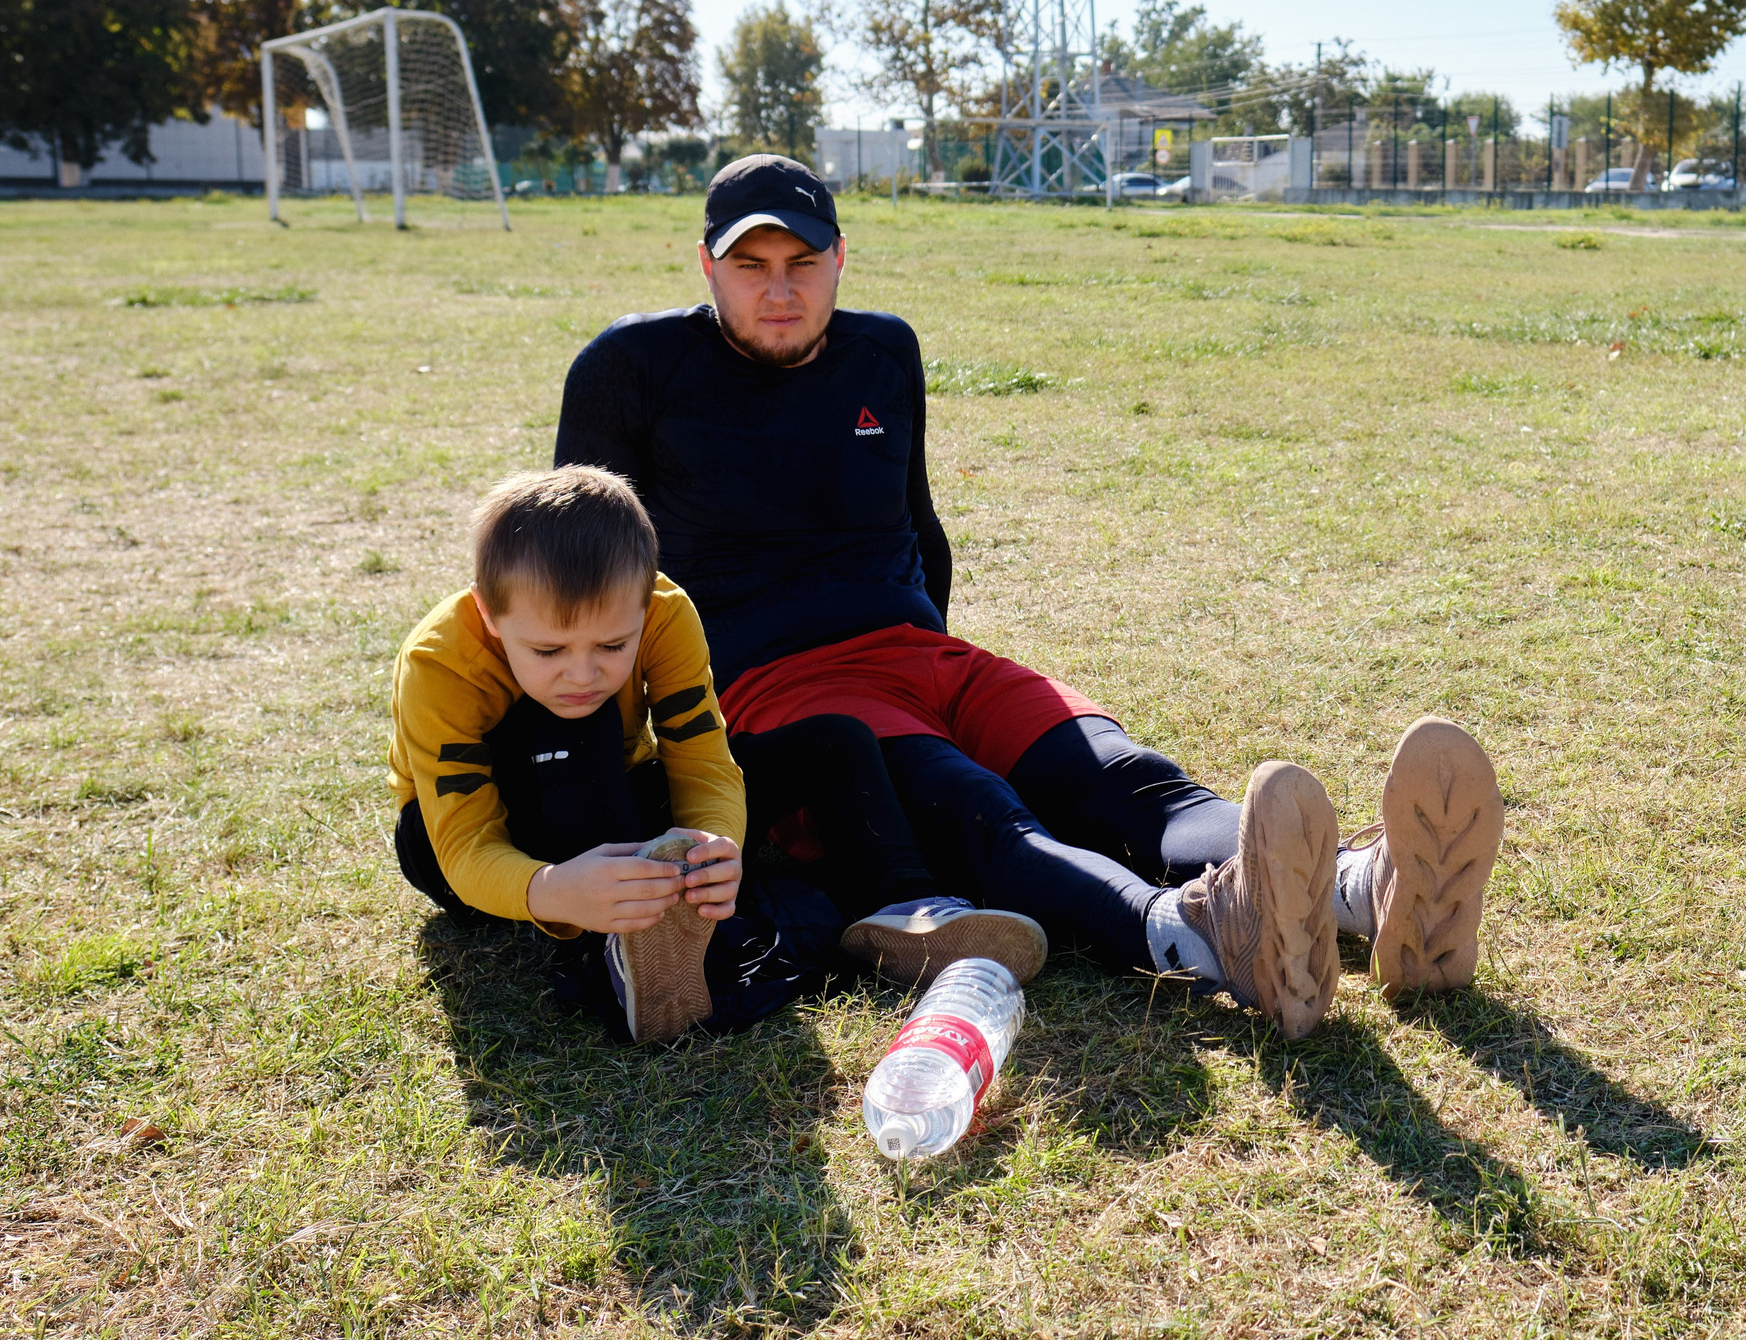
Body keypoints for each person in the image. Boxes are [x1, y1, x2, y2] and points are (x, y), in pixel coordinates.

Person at [554, 155, 1503, 1040]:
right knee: (986, 812)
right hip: (781, 692)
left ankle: (1363, 887)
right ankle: (1204, 932)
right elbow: (585, 583)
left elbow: (919, 528)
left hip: (925, 656)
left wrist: (944, 663)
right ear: (706, 266)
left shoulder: (883, 354)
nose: (779, 287)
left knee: (1124, 778)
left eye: (803, 260)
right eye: (750, 263)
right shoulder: (633, 372)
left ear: (841, 259)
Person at [389, 465, 1046, 1045]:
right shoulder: (439, 661)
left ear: (644, 605)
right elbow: (463, 847)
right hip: (467, 841)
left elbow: (703, 761)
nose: (582, 672)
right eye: (549, 651)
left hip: (613, 795)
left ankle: (905, 905)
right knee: (574, 725)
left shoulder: (668, 610)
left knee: (836, 740)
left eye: (613, 645)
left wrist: (715, 843)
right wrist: (553, 889)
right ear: (489, 612)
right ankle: (613, 954)